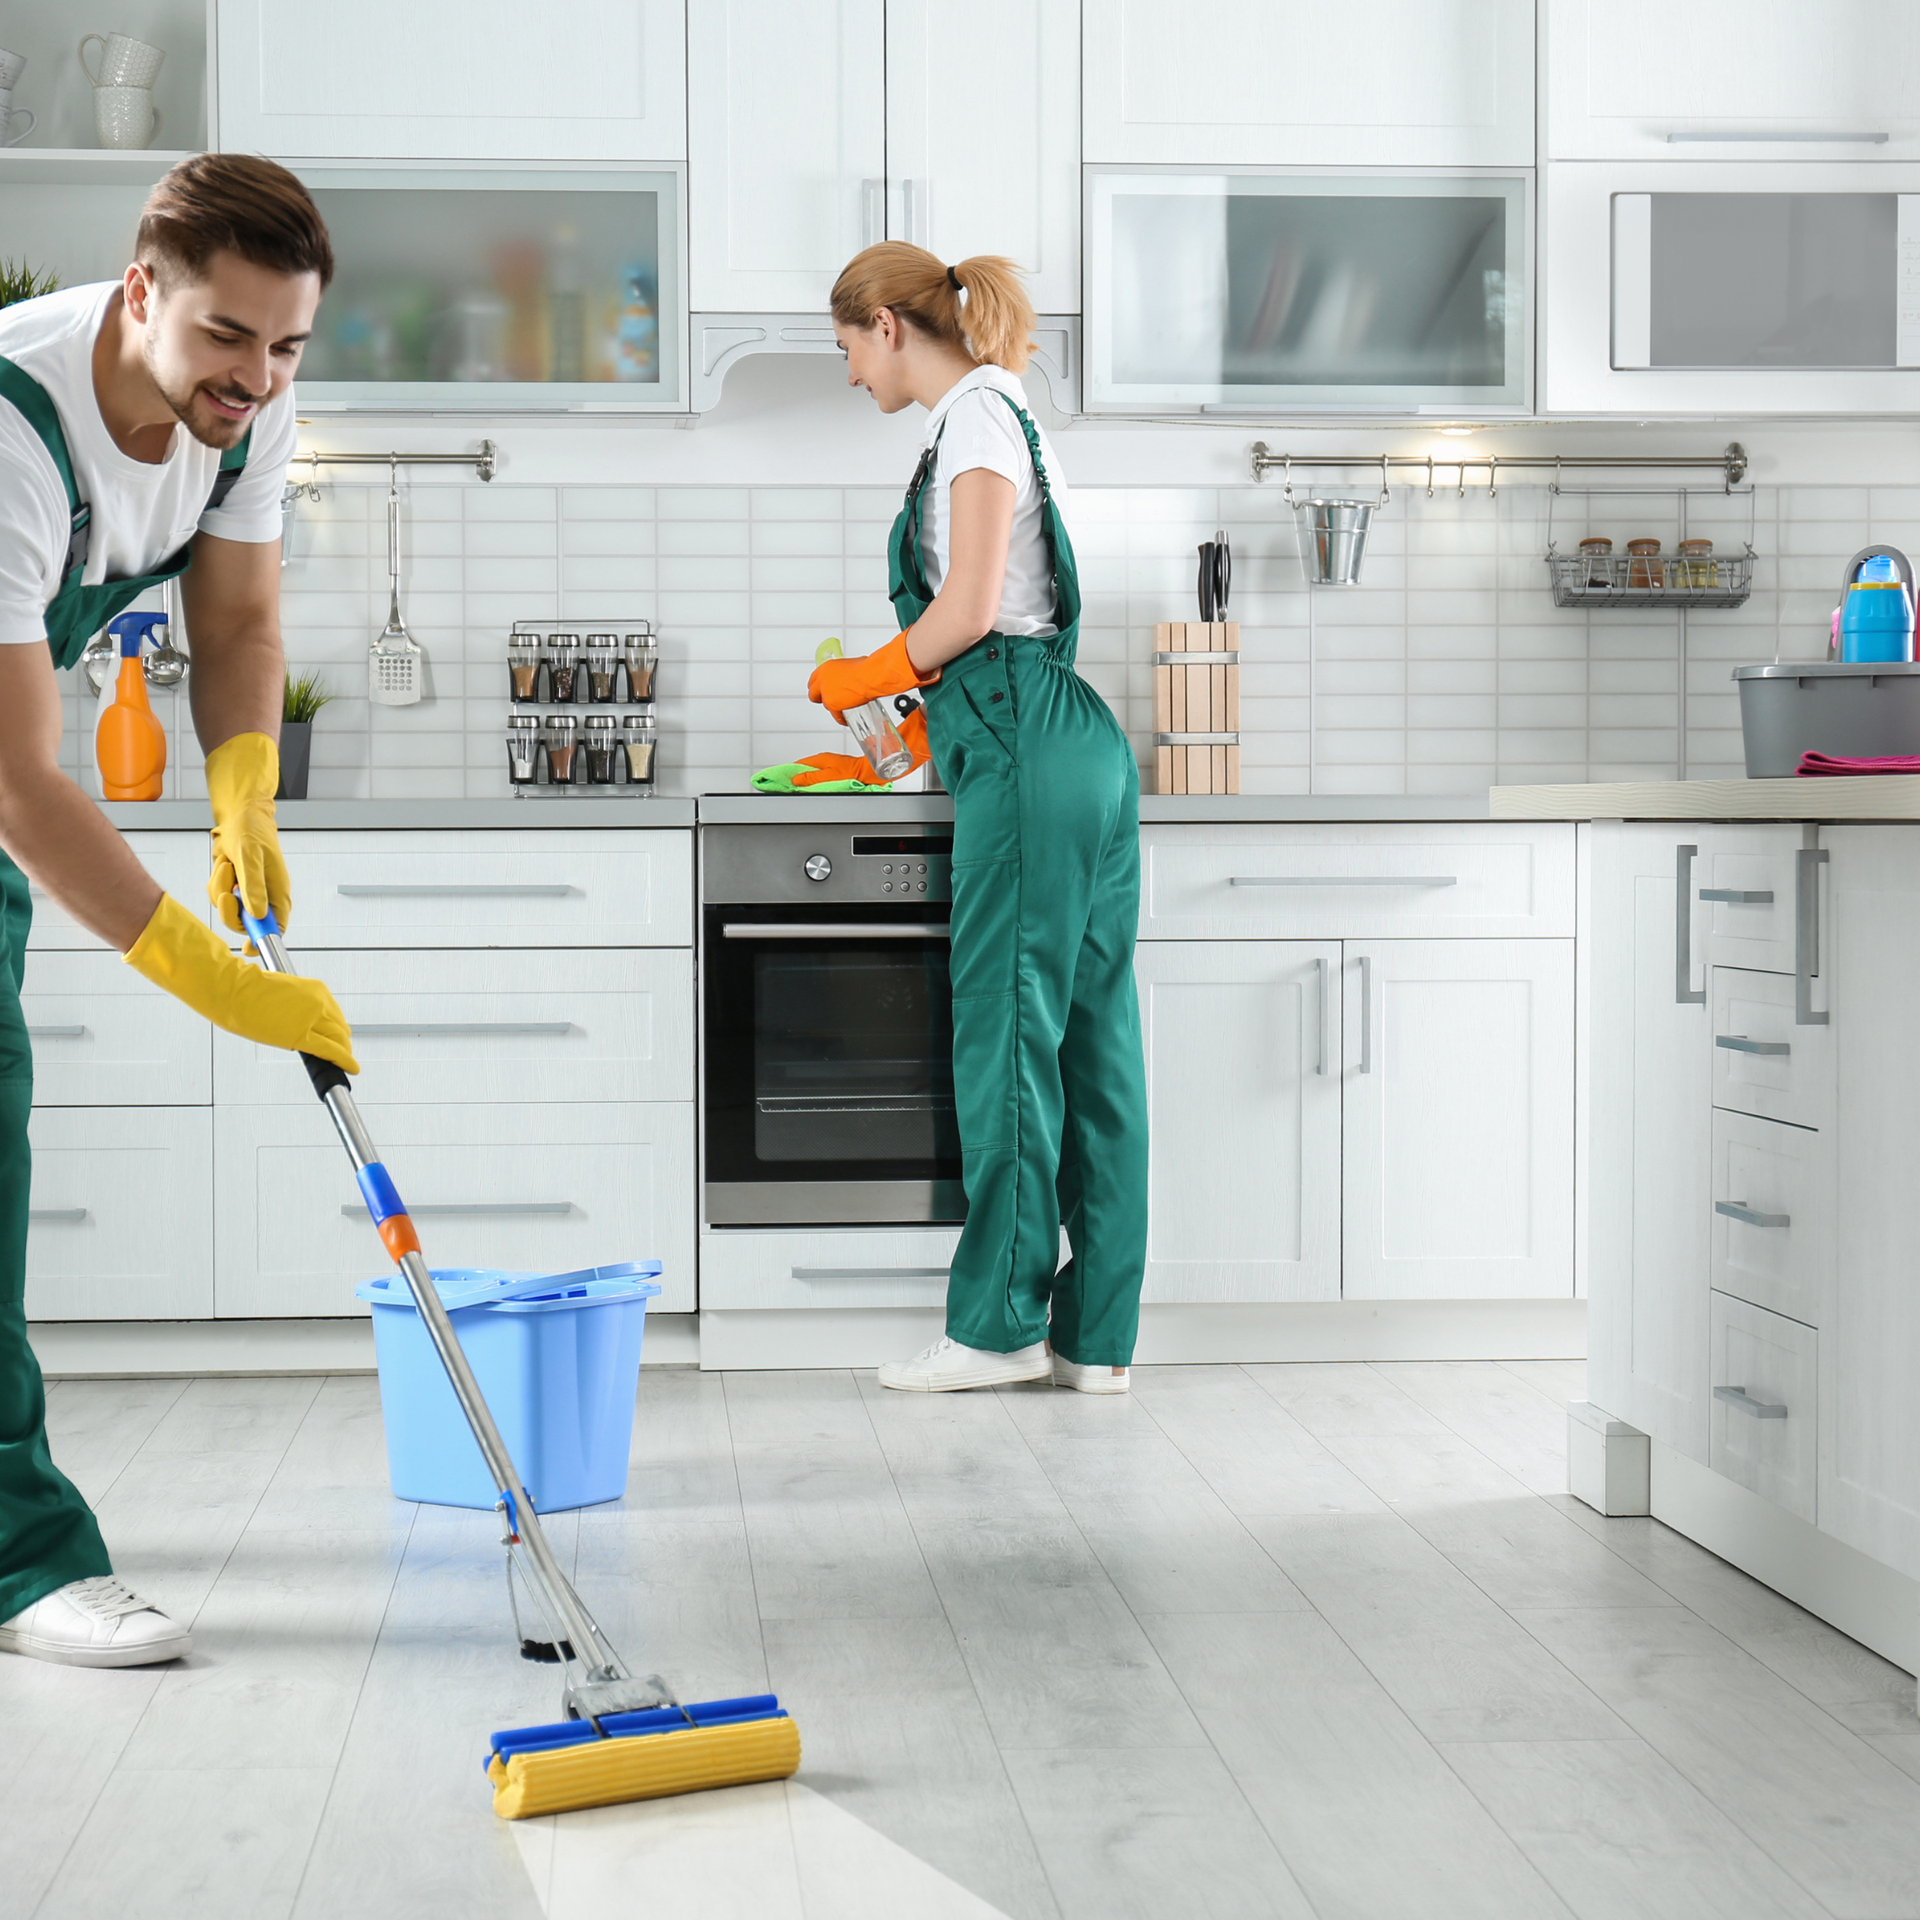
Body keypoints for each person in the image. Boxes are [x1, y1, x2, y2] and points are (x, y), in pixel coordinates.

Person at [0, 154, 357, 1668]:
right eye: (227, 337)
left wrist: (245, 790)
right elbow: (18, 777)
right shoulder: (14, 426)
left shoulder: (245, 411)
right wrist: (201, 972)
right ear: (143, 290)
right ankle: (20, 1562)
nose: (257, 378)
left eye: (287, 347)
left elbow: (243, 619)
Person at [813, 244, 1147, 1396]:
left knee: (1007, 1032)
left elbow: (966, 609)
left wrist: (872, 671)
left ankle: (998, 1329)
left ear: (888, 328)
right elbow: (1004, 617)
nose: (851, 375)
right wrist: (910, 711)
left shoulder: (975, 420)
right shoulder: (1002, 414)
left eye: (848, 346)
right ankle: (1094, 1339)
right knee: (1093, 1045)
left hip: (1025, 745)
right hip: (1064, 740)